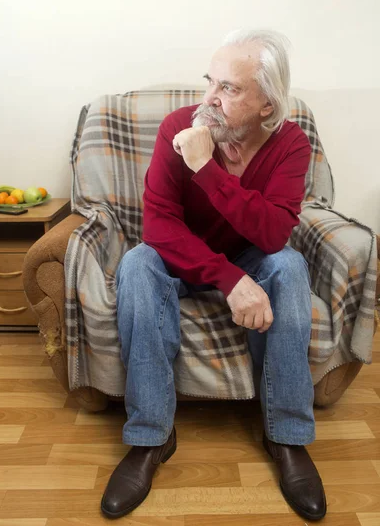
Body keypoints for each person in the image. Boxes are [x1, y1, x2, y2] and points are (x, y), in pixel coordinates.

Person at [101, 29, 327, 521]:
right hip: (179, 257)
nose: (208, 100)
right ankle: (150, 439)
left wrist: (206, 167)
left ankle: (286, 436)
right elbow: (159, 225)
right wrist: (227, 278)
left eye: (229, 88)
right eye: (210, 82)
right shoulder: (178, 127)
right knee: (137, 263)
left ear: (267, 104)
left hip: (251, 257)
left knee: (289, 266)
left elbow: (271, 235)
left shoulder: (290, 144)